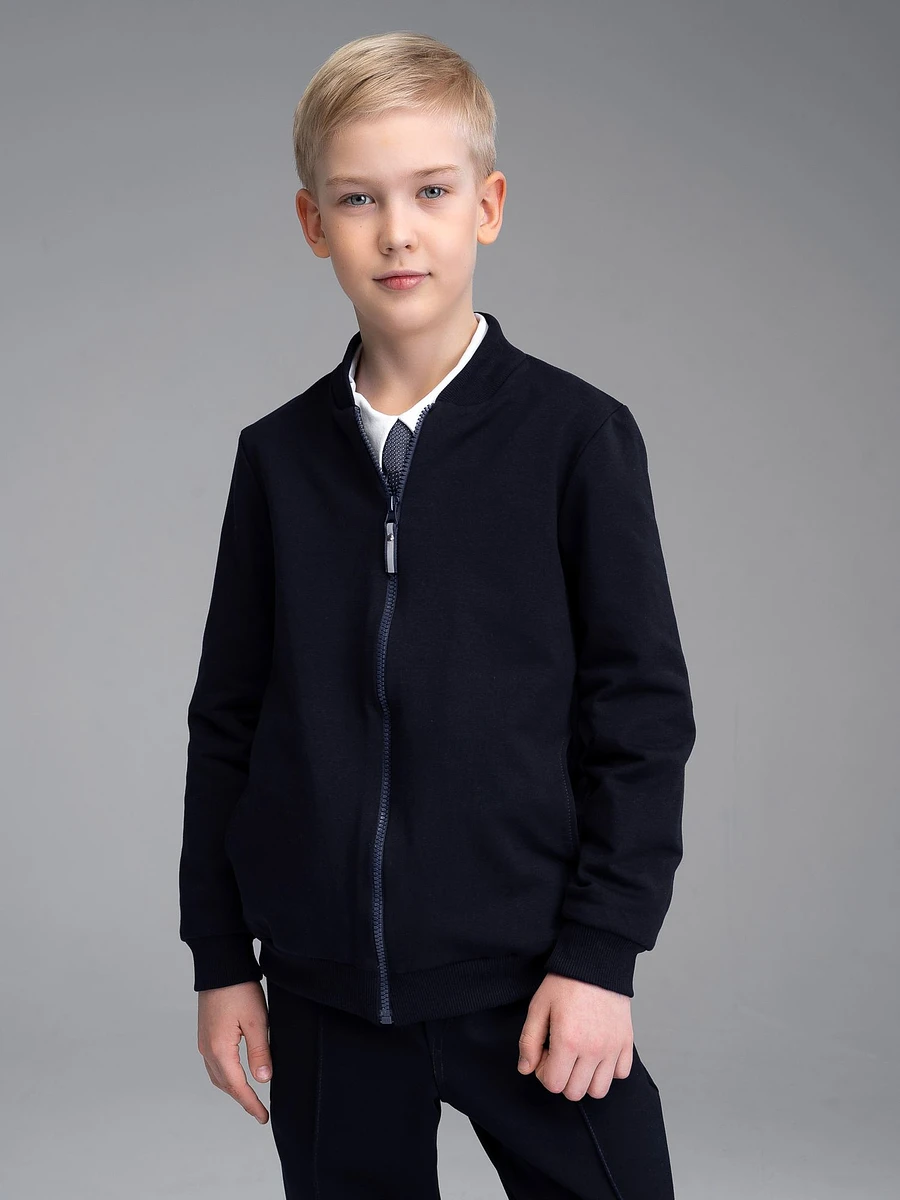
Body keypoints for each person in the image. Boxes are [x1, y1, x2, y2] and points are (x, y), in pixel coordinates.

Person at [178, 29, 696, 1200]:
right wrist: (221, 960)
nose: (397, 232)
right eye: (357, 198)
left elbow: (640, 717)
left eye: (430, 192)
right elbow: (228, 725)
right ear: (314, 222)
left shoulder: (576, 440)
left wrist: (600, 955)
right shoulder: (277, 460)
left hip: (533, 984)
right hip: (322, 993)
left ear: (488, 207)